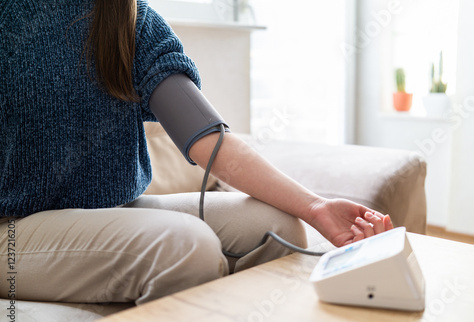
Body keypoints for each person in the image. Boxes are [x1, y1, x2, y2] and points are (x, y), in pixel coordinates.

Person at [0, 0, 393, 306]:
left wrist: (315, 207)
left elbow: (211, 142)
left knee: (276, 227)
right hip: (13, 233)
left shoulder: (127, 18)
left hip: (110, 211)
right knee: (185, 248)